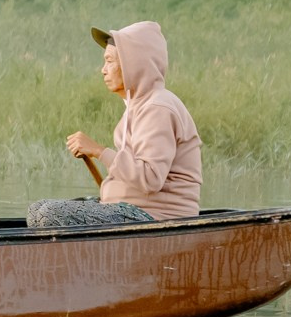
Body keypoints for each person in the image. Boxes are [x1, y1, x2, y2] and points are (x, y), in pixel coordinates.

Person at [28, 20, 203, 229]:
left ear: (133, 64)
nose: (103, 70)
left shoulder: (158, 108)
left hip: (157, 217)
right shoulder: (136, 108)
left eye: (110, 61)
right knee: (37, 209)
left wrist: (99, 151)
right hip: (131, 210)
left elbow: (150, 178)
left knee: (49, 214)